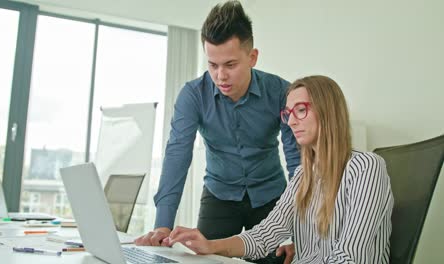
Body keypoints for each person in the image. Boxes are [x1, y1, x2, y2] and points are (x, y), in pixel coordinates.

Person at [165, 75, 394, 264]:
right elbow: (264, 235)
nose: (291, 121)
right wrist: (210, 245)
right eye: (288, 113)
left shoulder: (365, 167)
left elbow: (349, 258)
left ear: (327, 111)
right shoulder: (304, 177)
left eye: (301, 110)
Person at [136, 1, 300, 262]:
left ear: (252, 57)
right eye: (212, 65)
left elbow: (297, 162)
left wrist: (298, 230)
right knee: (204, 260)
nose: (220, 75)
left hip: (271, 197)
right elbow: (177, 156)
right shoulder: (193, 95)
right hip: (219, 195)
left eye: (230, 65)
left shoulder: (281, 92)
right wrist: (163, 224)